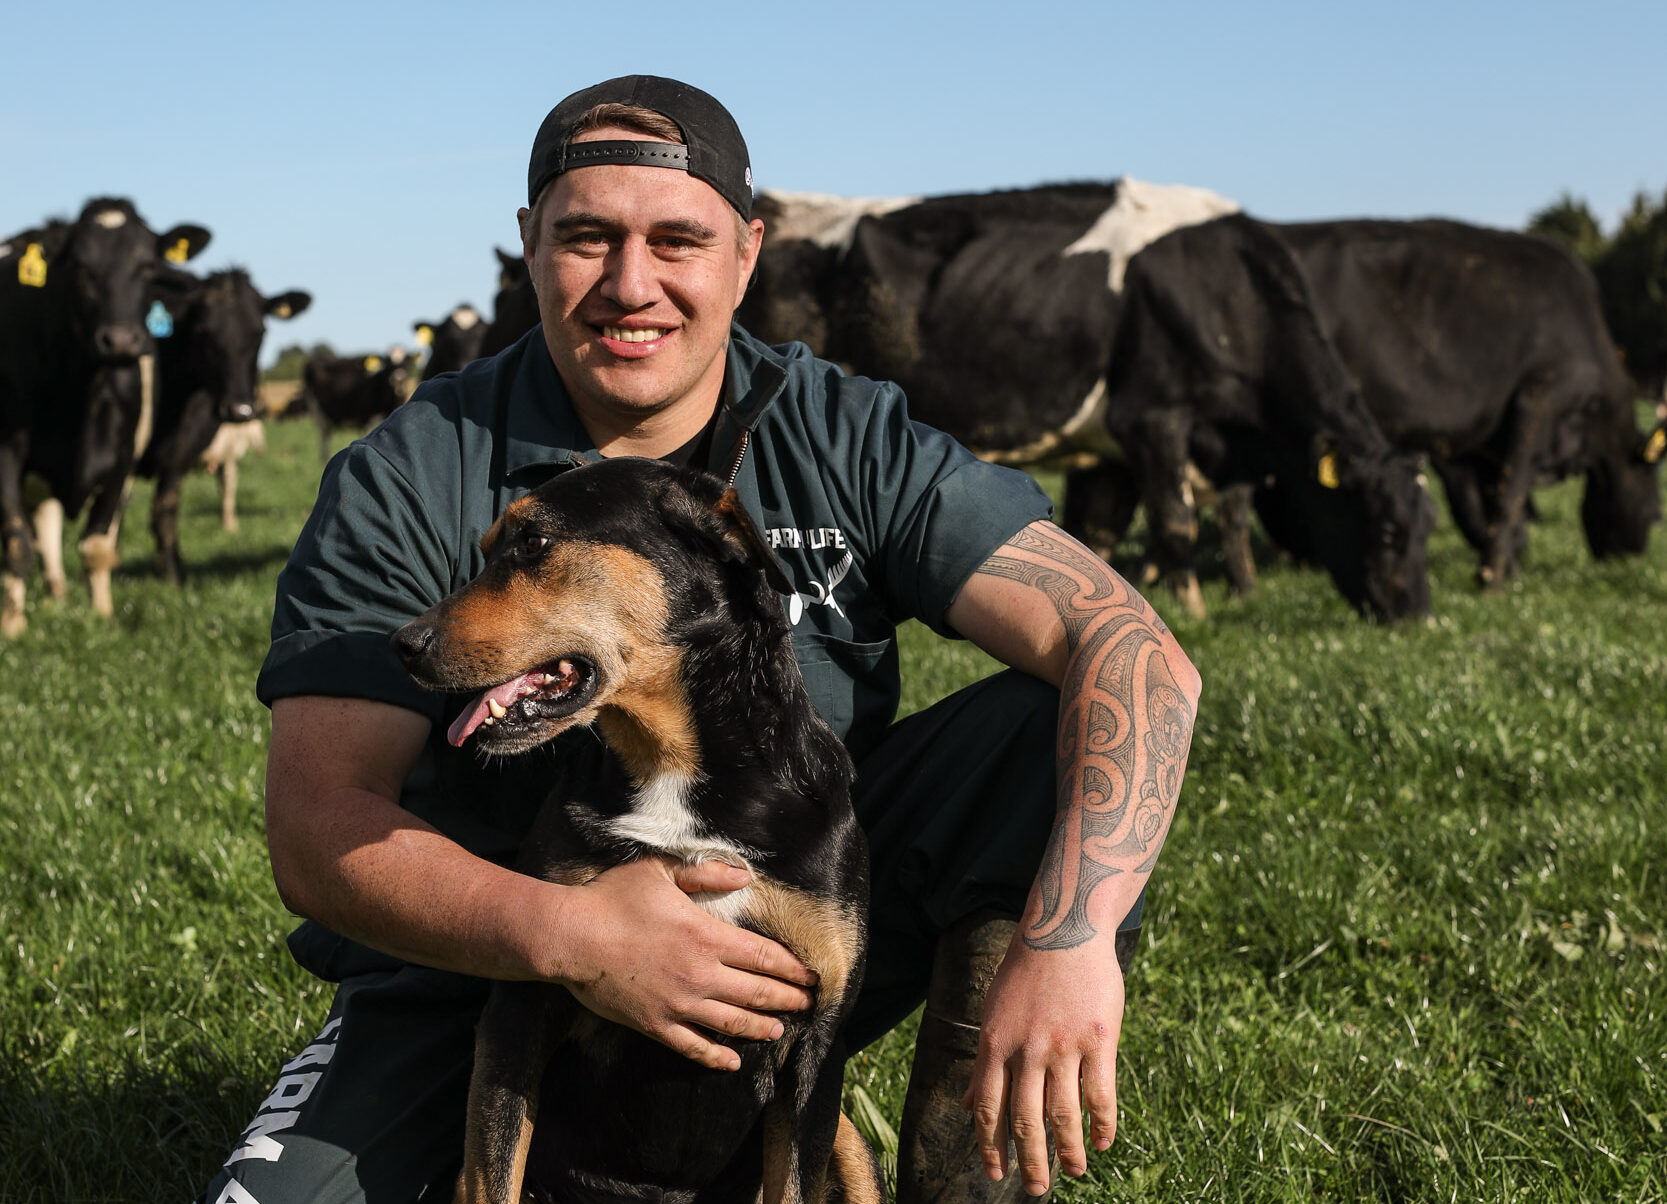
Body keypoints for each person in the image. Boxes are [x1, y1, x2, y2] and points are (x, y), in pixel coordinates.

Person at [198, 75, 1200, 1204]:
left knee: (1039, 729)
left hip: (793, 916)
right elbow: (318, 823)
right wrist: (568, 934)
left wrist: (1068, 942)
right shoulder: (409, 472)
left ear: (746, 252)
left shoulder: (841, 430)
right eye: (586, 236)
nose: (632, 285)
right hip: (475, 972)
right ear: (528, 244)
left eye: (678, 238)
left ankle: (950, 1180)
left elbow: (1131, 647)